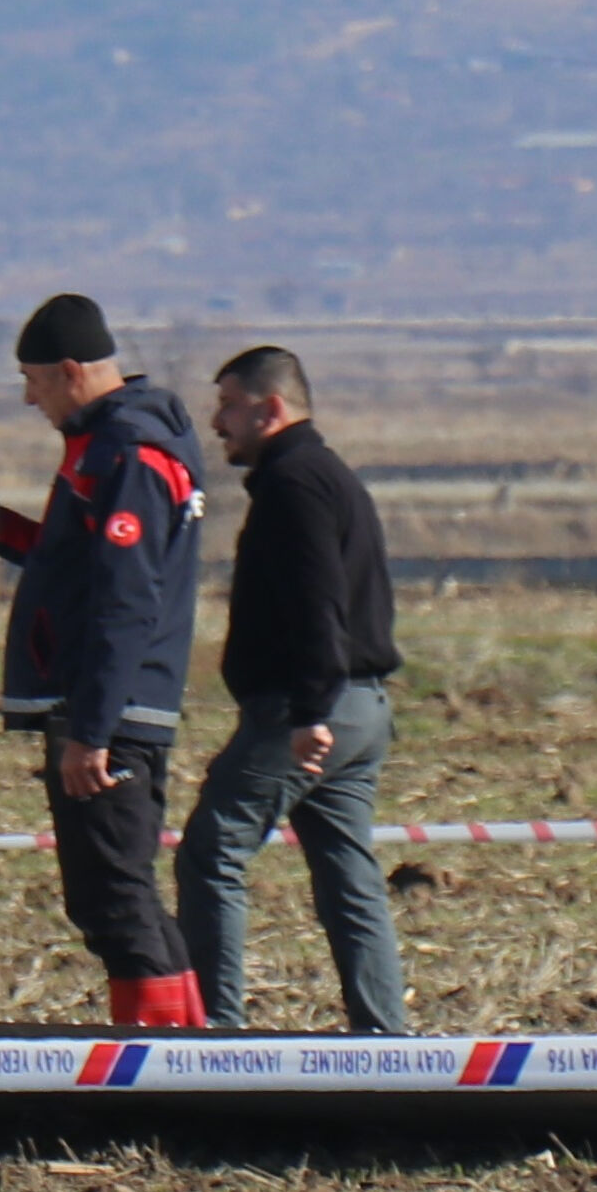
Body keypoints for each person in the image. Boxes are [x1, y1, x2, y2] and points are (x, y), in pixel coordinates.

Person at [0, 292, 203, 1029]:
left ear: (73, 371)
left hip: (111, 714)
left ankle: (162, 1064)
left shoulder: (130, 453)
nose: (29, 398)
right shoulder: (101, 447)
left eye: (35, 381)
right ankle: (183, 1047)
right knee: (117, 893)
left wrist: (94, 729)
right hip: (103, 708)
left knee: (113, 895)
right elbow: (77, 571)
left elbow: (127, 598)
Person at [177, 344, 408, 1030]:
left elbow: (318, 602)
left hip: (311, 711)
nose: (216, 422)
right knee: (348, 874)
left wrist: (309, 711)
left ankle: (215, 1040)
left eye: (228, 404)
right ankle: (386, 1037)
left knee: (211, 850)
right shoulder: (330, 476)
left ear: (270, 408)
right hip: (362, 708)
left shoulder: (294, 485)